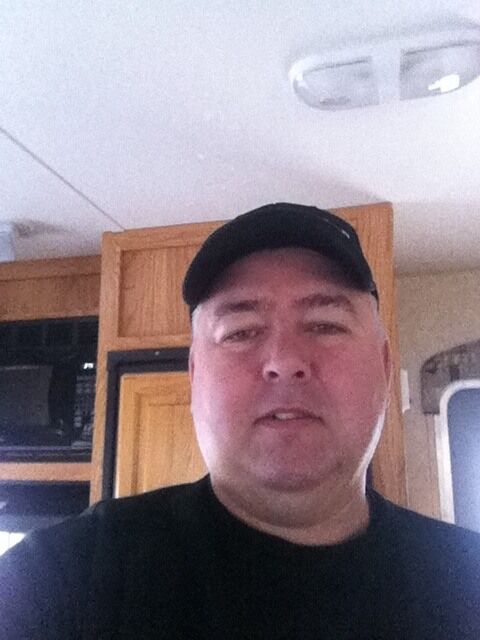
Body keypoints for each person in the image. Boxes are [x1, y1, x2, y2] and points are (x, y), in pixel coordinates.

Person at [0, 202, 479, 639]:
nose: (284, 360)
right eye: (241, 332)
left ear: (384, 367)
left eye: (325, 325)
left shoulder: (468, 583)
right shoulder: (59, 578)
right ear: (193, 376)